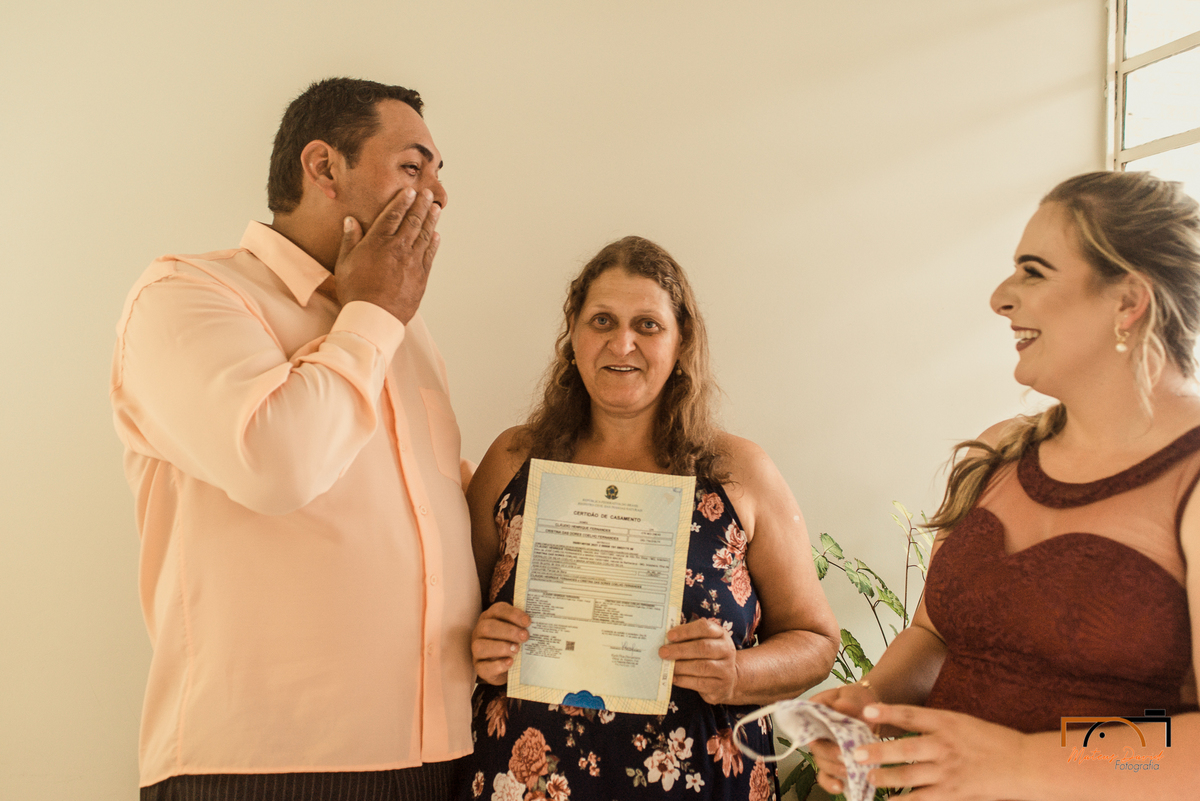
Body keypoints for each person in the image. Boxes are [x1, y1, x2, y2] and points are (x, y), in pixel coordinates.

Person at [111, 77, 479, 800]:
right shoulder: (186, 295)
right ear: (322, 168)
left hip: (441, 755)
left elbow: (435, 516)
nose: (439, 195)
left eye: (439, 174)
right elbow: (279, 466)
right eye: (414, 166)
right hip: (263, 766)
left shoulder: (400, 327)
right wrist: (373, 312)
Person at [809, 171, 1200, 798]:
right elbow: (934, 635)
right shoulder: (1000, 451)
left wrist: (1024, 763)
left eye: (1033, 271)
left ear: (1129, 301)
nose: (1000, 297)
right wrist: (872, 703)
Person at [457, 236, 839, 801]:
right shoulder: (515, 460)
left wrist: (737, 672)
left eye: (648, 325)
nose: (622, 342)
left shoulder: (741, 473)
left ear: (682, 342)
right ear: (573, 336)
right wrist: (476, 644)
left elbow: (816, 640)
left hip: (701, 784)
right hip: (524, 780)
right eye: (602, 320)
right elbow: (444, 618)